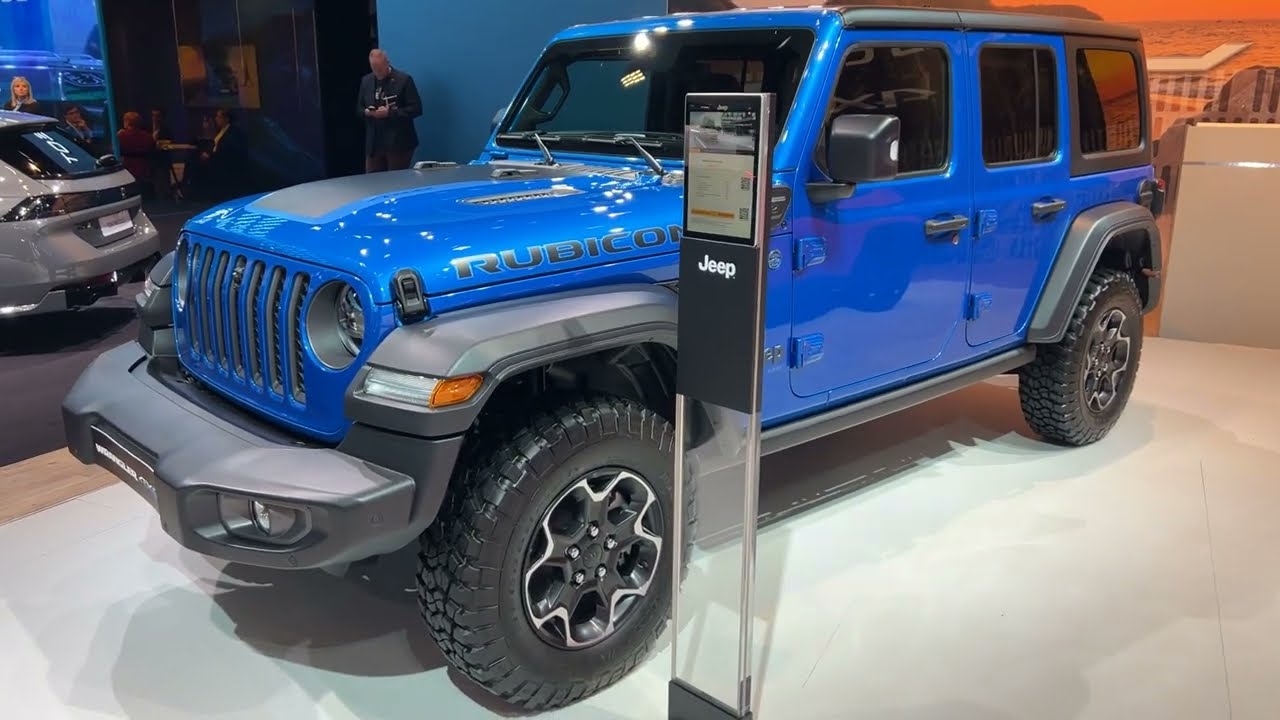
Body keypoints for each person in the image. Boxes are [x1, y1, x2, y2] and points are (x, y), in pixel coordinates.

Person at [356, 49, 422, 172]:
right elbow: (359, 109)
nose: (378, 72)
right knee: (372, 182)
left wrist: (390, 113)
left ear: (387, 62)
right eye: (374, 68)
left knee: (395, 183)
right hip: (374, 144)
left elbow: (416, 109)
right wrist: (368, 112)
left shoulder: (404, 80)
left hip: (399, 143)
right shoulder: (366, 81)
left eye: (380, 68)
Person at [116, 111, 155, 189]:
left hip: (127, 170)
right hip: (145, 171)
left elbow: (113, 150)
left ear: (127, 122)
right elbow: (153, 149)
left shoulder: (121, 136)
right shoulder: (147, 137)